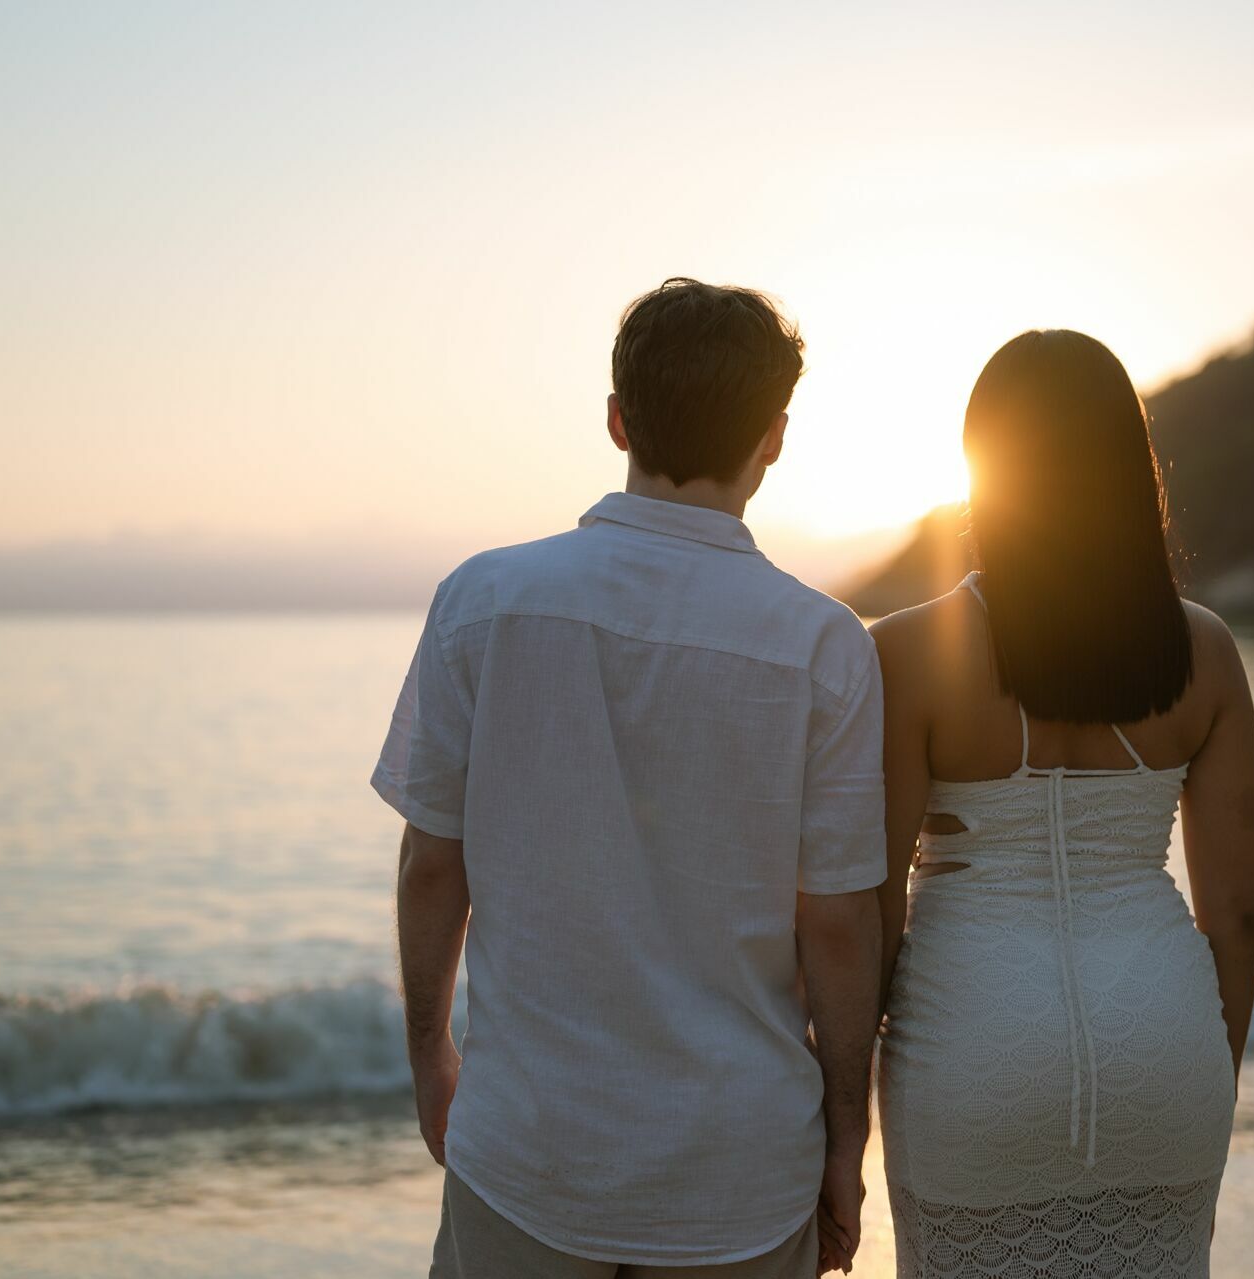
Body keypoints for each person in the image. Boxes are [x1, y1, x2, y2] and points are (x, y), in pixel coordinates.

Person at [373, 278, 887, 1277]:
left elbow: (433, 863)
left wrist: (430, 1054)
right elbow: (837, 922)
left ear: (617, 420)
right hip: (738, 1169)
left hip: (528, 1146)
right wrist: (844, 1148)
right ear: (775, 437)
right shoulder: (823, 648)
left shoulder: (482, 601)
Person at [872, 330, 1254, 1277]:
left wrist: (841, 1121)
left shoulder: (906, 653)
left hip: (972, 1051)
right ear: (1129, 469)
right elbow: (1238, 918)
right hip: (1169, 1046)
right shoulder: (1204, 653)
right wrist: (1206, 1076)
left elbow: (868, 914)